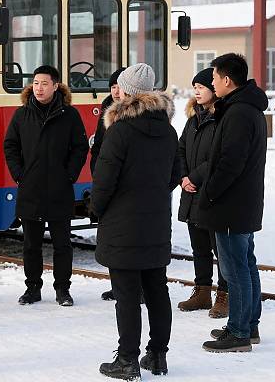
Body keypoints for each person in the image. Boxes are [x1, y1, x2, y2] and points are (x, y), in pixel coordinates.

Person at [91, 63, 179, 380]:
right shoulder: (168, 130)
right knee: (157, 289)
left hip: (122, 224)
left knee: (127, 296)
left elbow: (104, 180)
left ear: (125, 92)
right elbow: (173, 175)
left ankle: (127, 359)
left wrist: (98, 209)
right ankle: (157, 355)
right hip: (155, 221)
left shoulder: (120, 131)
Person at [4, 65, 89, 307]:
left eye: (44, 83)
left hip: (59, 189)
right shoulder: (22, 114)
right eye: (36, 83)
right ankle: (32, 288)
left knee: (62, 244)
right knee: (31, 244)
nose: (39, 88)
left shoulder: (69, 115)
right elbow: (10, 146)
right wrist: (19, 174)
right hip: (30, 188)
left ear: (55, 86)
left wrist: (69, 175)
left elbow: (80, 148)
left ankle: (63, 289)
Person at [199, 53, 267, 353]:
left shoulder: (238, 113)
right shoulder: (247, 108)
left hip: (230, 204)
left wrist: (210, 193)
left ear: (227, 80)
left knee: (234, 269)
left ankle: (239, 332)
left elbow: (230, 162)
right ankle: (248, 325)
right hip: (243, 203)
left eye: (214, 78)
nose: (212, 83)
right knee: (245, 264)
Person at [177, 68, 228, 318]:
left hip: (210, 192)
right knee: (199, 248)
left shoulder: (220, 119)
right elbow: (180, 149)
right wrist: (183, 177)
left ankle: (224, 295)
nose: (196, 91)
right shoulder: (192, 119)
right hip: (191, 192)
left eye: (202, 86)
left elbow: (217, 157)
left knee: (220, 249)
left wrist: (193, 177)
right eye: (194, 86)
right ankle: (202, 291)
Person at [90, 67, 126, 302]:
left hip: (125, 187)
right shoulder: (106, 110)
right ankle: (117, 285)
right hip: (107, 180)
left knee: (128, 239)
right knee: (112, 240)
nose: (114, 90)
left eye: (119, 86)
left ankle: (132, 288)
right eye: (112, 86)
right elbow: (98, 148)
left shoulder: (130, 113)